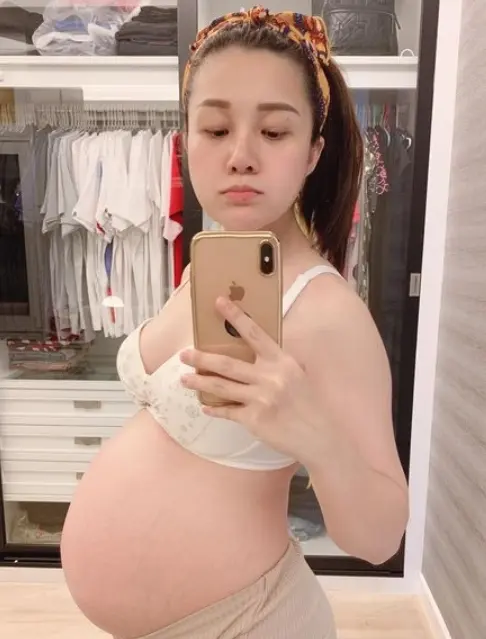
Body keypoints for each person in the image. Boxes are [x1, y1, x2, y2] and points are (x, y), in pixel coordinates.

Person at [60, 6, 409, 639]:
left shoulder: (326, 312)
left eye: (274, 132)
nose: (241, 155)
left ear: (313, 151)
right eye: (216, 128)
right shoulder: (210, 265)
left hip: (249, 622)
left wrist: (316, 436)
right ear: (185, 137)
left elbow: (381, 538)